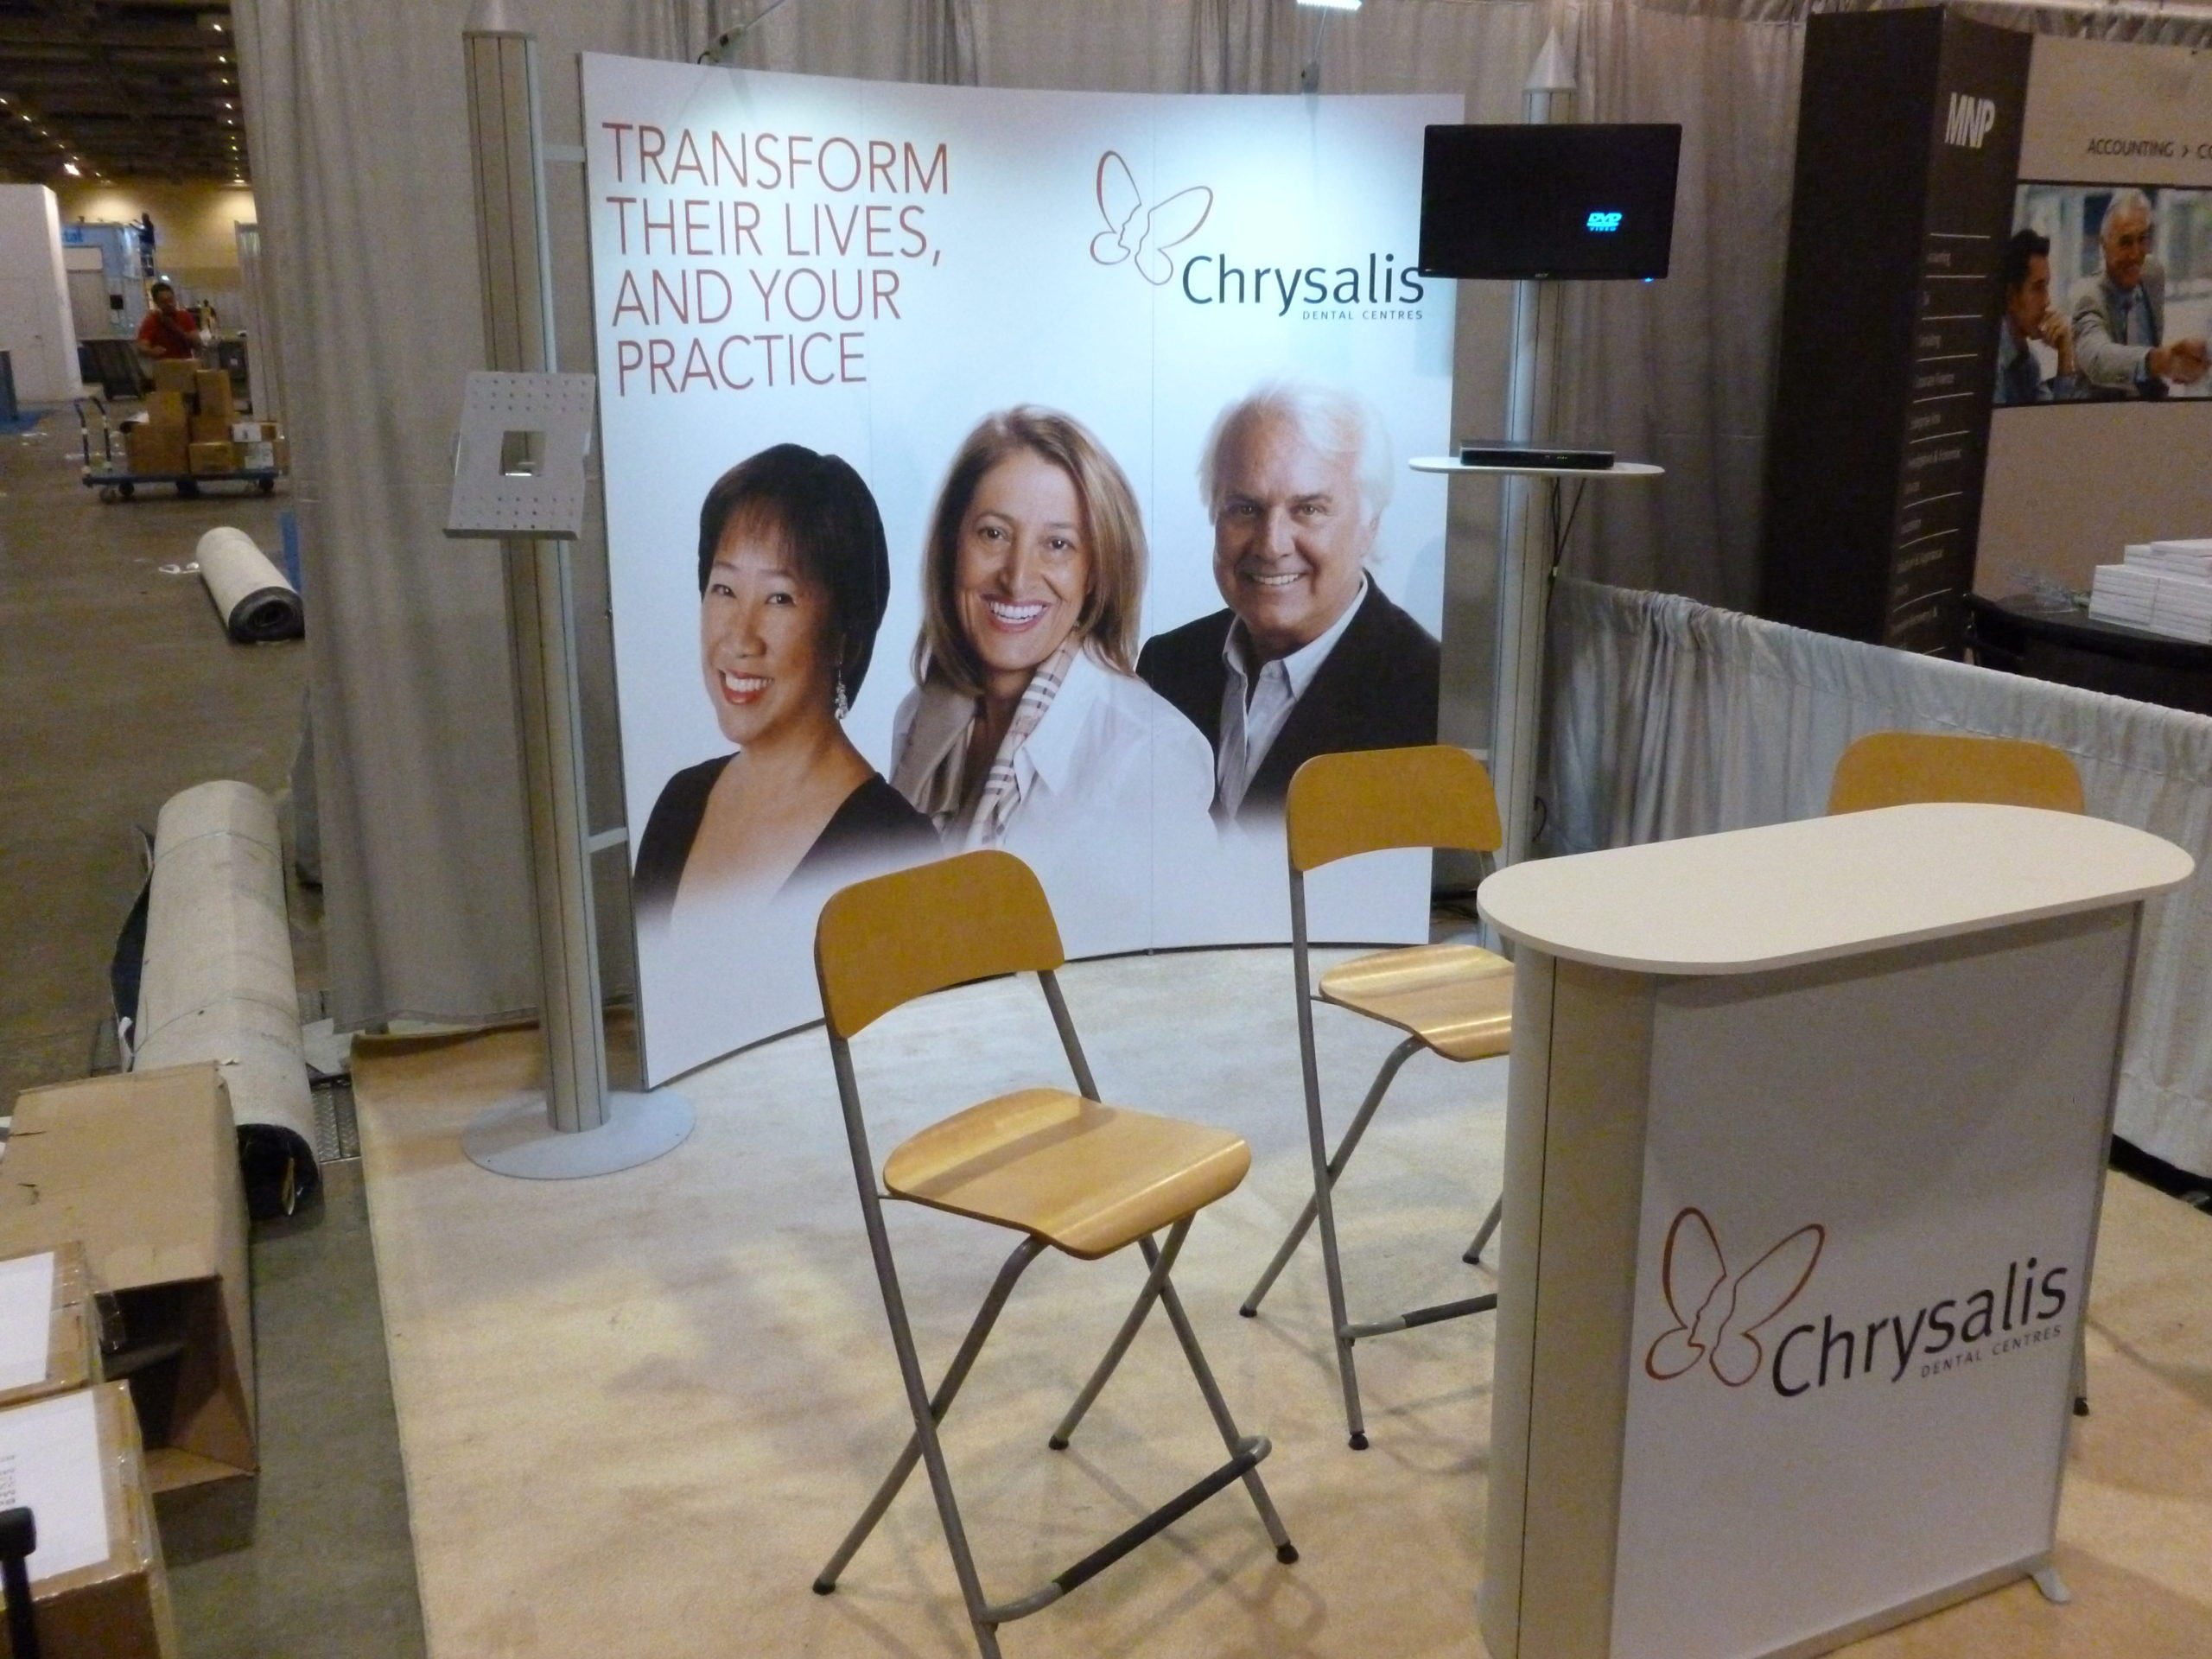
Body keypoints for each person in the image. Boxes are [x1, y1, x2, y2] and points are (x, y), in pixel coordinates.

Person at [888, 407, 1214, 948]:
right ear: (951, 548)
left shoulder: (1153, 756)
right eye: (993, 534)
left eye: (1057, 544)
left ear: (1097, 572)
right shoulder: (920, 719)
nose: (1017, 578)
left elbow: (1187, 977)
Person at [632, 444, 931, 918]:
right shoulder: (680, 804)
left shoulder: (895, 847)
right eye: (724, 590)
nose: (740, 638)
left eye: (779, 599)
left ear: (843, 637)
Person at [1137, 382, 1439, 824]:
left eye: (1309, 509)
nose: (1272, 545)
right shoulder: (1167, 668)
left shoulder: (1427, 695)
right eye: (1245, 509)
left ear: (1369, 526)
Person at [2069, 189, 2208, 400]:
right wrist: (2158, 361)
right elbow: (2097, 359)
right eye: (2125, 242)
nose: (2135, 254)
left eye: (2142, 239)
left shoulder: (2152, 274)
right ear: (2104, 246)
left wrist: (2187, 360)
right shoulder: (2087, 296)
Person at [1994, 229, 2082, 406]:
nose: (2047, 301)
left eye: (2046, 287)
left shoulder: (2028, 361)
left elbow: (2057, 420)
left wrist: (2065, 354)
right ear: (2011, 296)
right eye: (2038, 288)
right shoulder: (1993, 363)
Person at [135, 281, 200, 361]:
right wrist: (150, 351)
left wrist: (174, 327)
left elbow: (197, 344)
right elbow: (141, 347)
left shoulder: (184, 316)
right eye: (164, 302)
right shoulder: (152, 321)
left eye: (171, 300)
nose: (169, 304)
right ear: (156, 303)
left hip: (185, 364)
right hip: (164, 365)